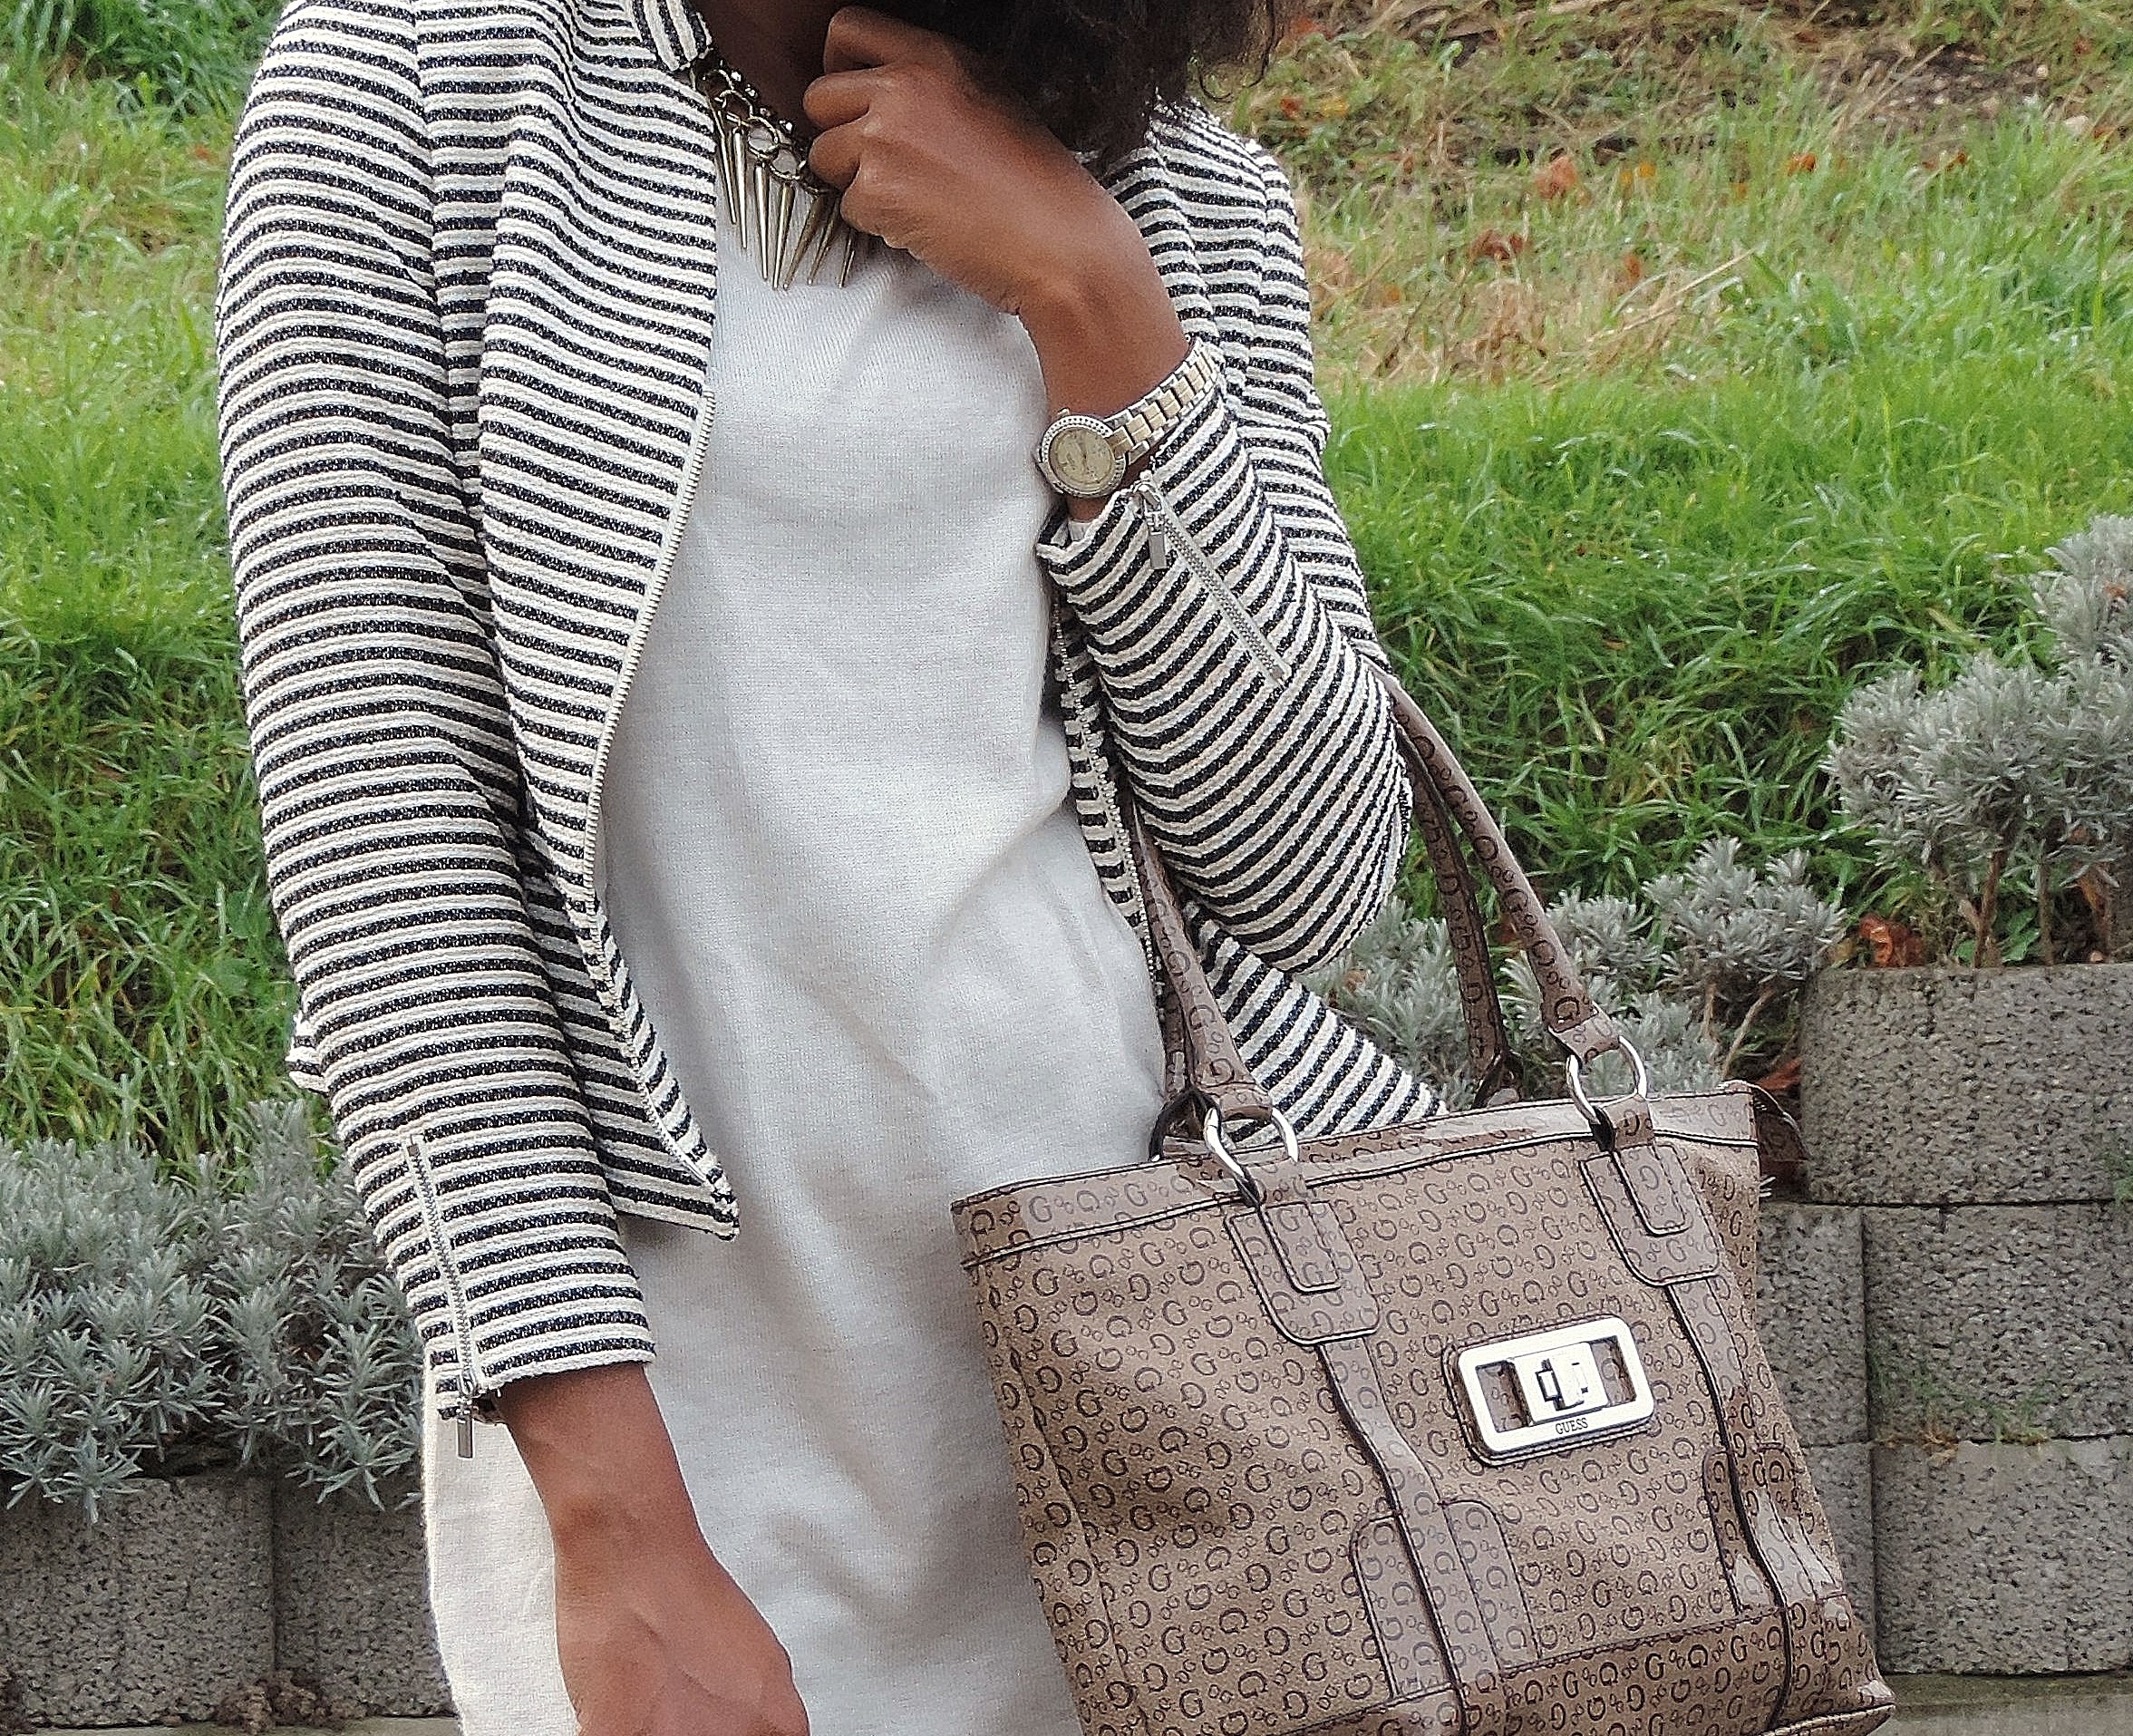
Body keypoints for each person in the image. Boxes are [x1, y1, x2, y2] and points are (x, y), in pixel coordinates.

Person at [215, 0, 1435, 1731]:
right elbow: (386, 862)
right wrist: (620, 1528)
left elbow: (1311, 873)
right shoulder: (418, 81)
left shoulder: (1162, 177)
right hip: (689, 1414)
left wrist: (1092, 297)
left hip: (1181, 1347)